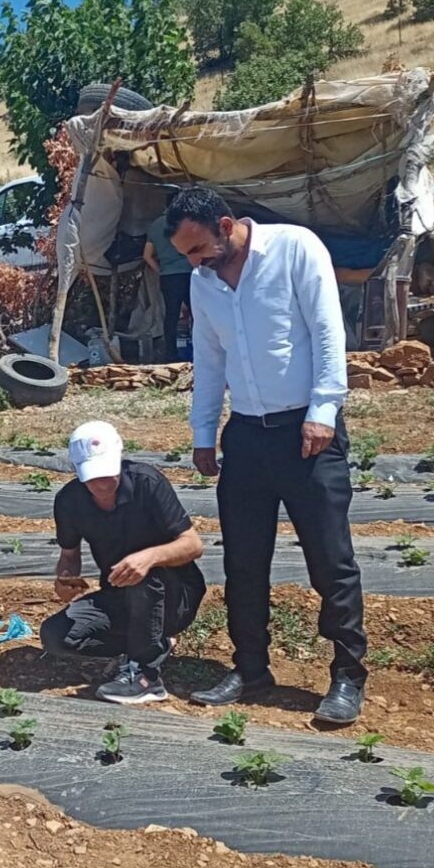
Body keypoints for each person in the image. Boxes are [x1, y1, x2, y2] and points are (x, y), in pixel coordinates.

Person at [167, 187, 368, 725]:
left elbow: (328, 332)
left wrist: (324, 411)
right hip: (248, 437)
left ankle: (347, 675)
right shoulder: (202, 282)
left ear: (226, 226)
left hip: (308, 433)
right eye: (186, 254)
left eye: (198, 249)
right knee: (243, 561)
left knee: (331, 560)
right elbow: (209, 360)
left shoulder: (296, 249)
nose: (194, 262)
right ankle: (250, 669)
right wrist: (204, 432)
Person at [40, 421, 206, 704]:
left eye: (108, 473)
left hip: (175, 596)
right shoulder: (69, 501)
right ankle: (153, 645)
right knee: (56, 636)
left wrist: (148, 558)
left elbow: (193, 545)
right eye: (93, 477)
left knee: (141, 575)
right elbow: (69, 555)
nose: (103, 484)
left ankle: (146, 677)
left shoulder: (148, 483)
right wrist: (65, 580)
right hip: (118, 594)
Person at [143, 213, 195, 362]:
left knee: (171, 315)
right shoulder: (185, 221)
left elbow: (147, 256)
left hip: (168, 276)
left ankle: (170, 354)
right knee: (197, 314)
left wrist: (161, 270)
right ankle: (199, 350)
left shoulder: (155, 225)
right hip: (188, 273)